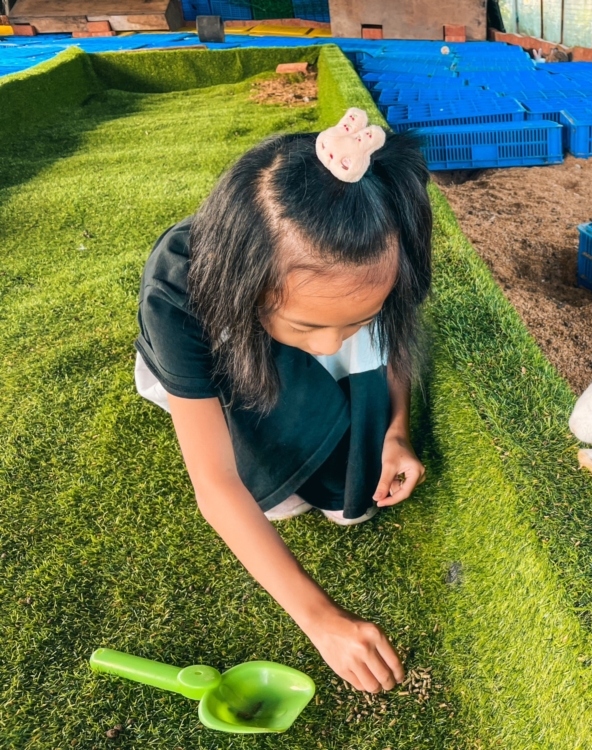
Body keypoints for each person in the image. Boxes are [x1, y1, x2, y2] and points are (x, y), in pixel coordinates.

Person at [133, 108, 432, 693]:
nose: (332, 345)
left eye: (357, 321)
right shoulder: (177, 296)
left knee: (350, 497)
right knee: (262, 492)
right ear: (248, 281)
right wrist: (321, 620)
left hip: (287, 324)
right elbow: (216, 486)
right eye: (306, 327)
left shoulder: (377, 245)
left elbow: (391, 337)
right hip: (225, 356)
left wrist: (397, 429)